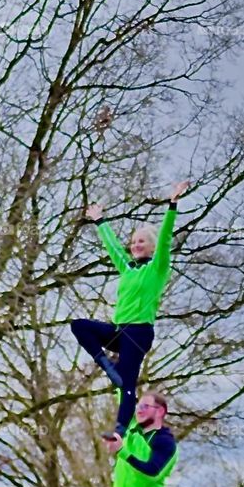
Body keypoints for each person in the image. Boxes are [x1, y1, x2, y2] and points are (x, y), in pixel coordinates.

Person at [72, 182, 189, 435]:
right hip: (118, 330)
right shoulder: (127, 268)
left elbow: (166, 238)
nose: (135, 245)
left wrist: (172, 204)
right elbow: (112, 246)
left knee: (126, 384)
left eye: (141, 241)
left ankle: (120, 431)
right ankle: (106, 365)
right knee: (79, 326)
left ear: (152, 247)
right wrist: (99, 220)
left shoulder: (157, 269)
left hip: (138, 333)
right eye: (134, 241)